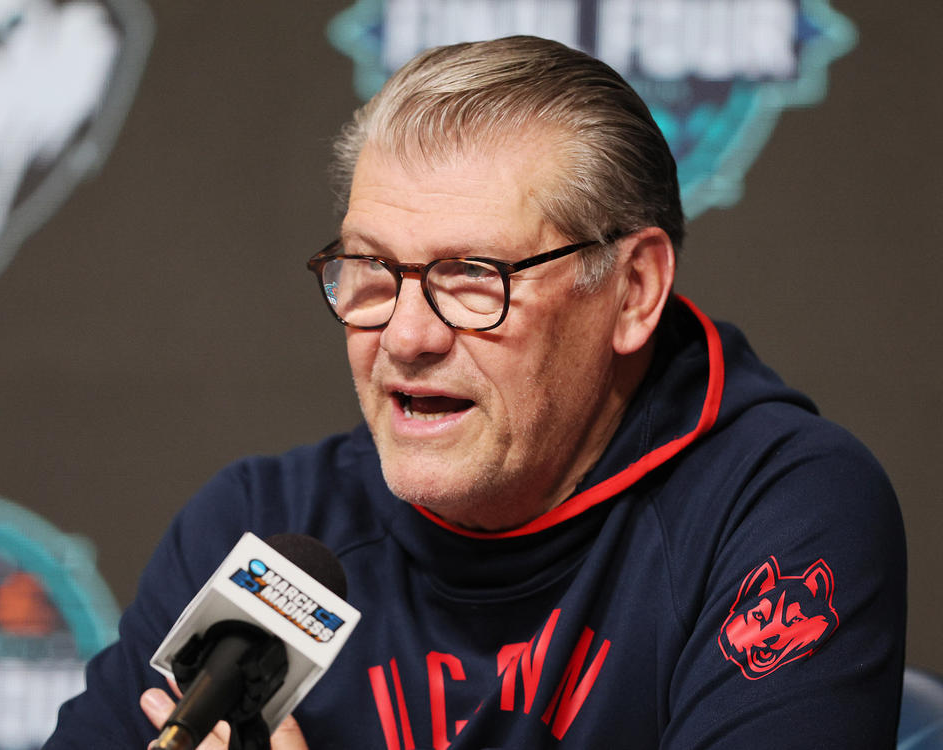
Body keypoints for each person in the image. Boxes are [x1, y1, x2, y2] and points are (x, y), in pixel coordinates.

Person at [45, 36, 906, 749]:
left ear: (634, 290)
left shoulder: (777, 511)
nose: (408, 336)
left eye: (472, 276)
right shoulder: (264, 531)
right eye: (373, 271)